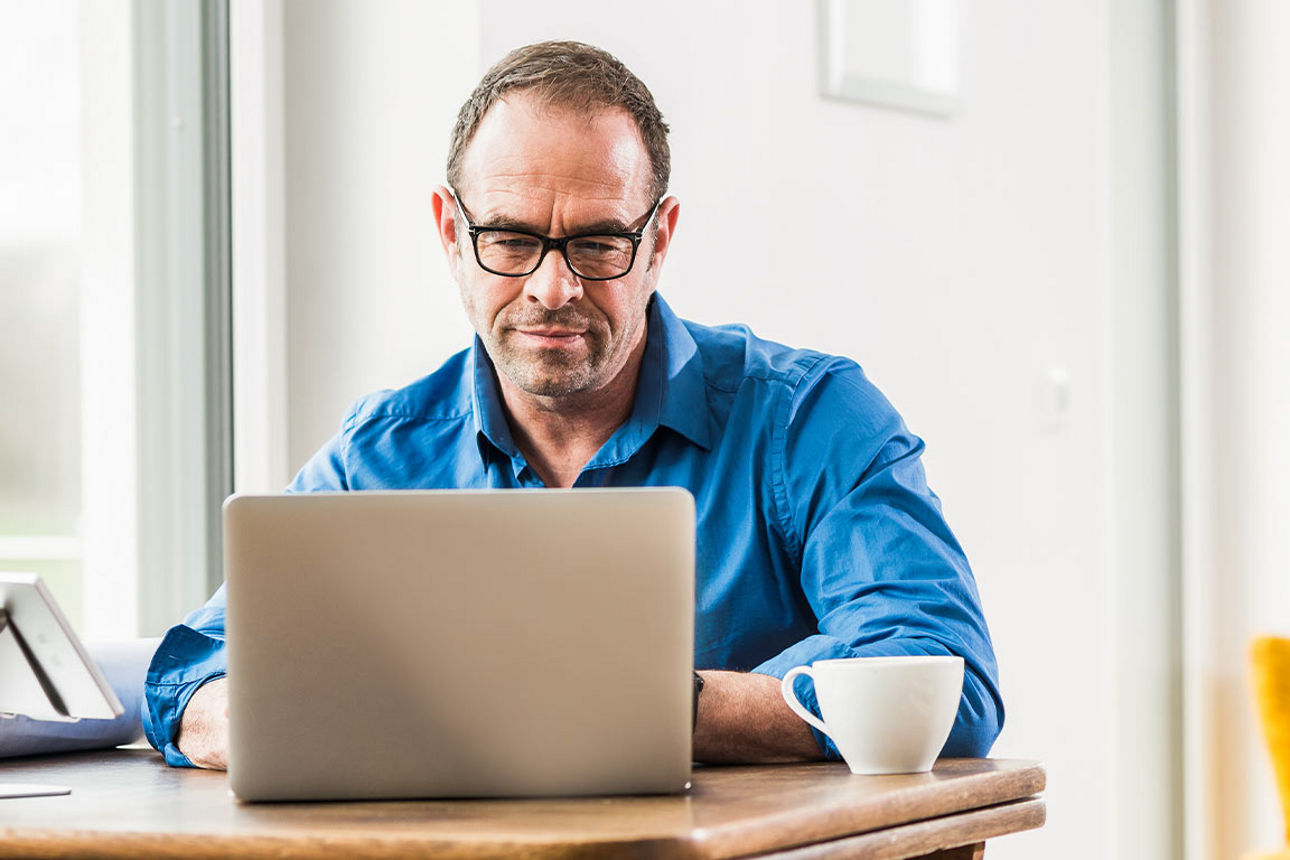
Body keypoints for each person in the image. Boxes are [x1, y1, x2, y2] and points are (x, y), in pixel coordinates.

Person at [143, 40, 1004, 771]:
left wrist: (643, 706)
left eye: (597, 243)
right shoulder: (382, 451)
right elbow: (192, 675)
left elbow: (936, 670)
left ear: (658, 240)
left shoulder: (811, 420)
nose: (553, 288)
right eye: (511, 240)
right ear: (451, 234)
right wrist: (279, 720)